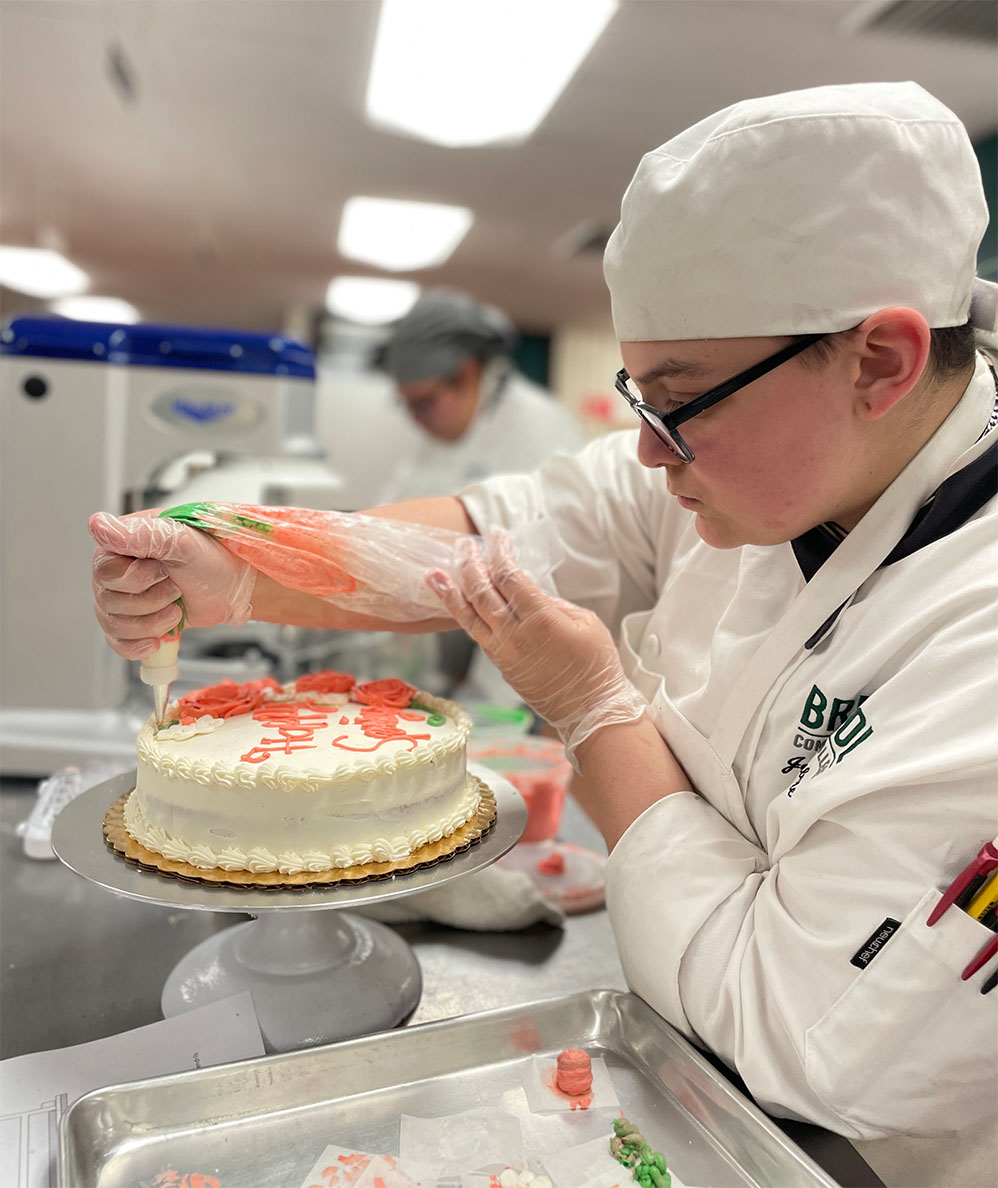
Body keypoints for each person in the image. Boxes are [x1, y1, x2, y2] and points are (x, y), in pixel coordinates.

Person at [90, 81, 997, 1176]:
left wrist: (594, 711)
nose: (649, 452)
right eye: (637, 397)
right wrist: (241, 571)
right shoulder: (777, 461)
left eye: (680, 400)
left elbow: (803, 1040)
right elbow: (493, 538)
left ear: (879, 362)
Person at [376, 287, 585, 503]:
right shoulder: (441, 440)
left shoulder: (542, 428)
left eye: (423, 403)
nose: (414, 418)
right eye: (406, 404)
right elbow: (400, 500)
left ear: (467, 372)